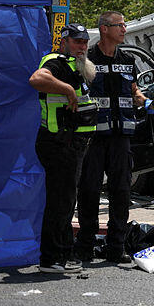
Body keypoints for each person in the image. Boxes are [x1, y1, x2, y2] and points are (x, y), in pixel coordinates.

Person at [75, 11, 154, 263]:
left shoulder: (128, 60)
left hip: (121, 137)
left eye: (124, 25)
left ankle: (116, 247)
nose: (124, 29)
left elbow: (133, 89)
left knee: (121, 192)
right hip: (93, 137)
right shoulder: (87, 59)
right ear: (104, 29)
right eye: (119, 25)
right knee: (89, 191)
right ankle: (85, 247)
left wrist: (144, 100)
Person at [29, 24, 98, 273]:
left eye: (84, 42)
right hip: (59, 144)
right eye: (77, 42)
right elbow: (36, 79)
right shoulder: (56, 61)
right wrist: (66, 89)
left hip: (74, 144)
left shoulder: (77, 66)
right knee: (60, 202)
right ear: (64, 41)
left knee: (67, 202)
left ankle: (63, 255)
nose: (81, 46)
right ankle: (51, 259)